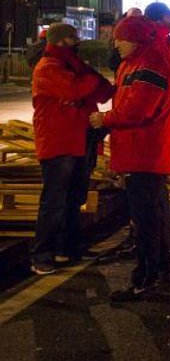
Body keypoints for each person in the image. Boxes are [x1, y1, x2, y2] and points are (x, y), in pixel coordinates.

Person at [90, 16, 170, 300]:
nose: (116, 44)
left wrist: (104, 119)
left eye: (120, 38)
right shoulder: (137, 61)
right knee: (154, 212)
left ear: (135, 39)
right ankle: (161, 265)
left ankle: (145, 277)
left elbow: (136, 110)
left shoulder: (148, 65)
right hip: (141, 150)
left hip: (145, 152)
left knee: (146, 217)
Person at [29, 24, 113, 275]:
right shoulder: (48, 67)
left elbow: (103, 92)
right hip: (58, 142)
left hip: (79, 139)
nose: (78, 42)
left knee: (74, 197)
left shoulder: (71, 65)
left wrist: (84, 80)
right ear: (61, 41)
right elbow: (75, 89)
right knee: (54, 201)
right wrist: (87, 78)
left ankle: (68, 247)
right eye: (73, 38)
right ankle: (42, 254)